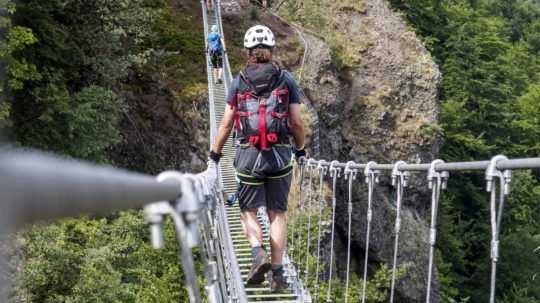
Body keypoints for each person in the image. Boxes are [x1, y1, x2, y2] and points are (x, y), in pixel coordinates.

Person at [209, 25, 306, 292]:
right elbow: (296, 122)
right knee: (278, 214)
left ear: (248, 51)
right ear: (272, 50)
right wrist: (300, 150)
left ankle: (256, 252)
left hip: (248, 157)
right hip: (279, 157)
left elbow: (227, 123)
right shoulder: (285, 79)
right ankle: (277, 274)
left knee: (247, 211)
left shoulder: (239, 80)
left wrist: (215, 154)